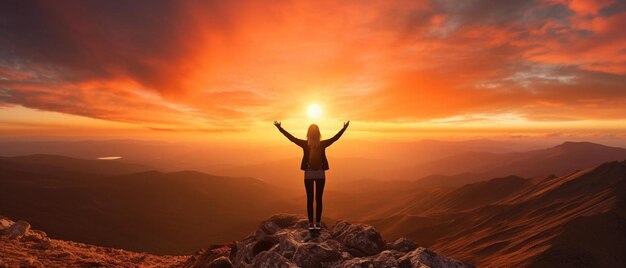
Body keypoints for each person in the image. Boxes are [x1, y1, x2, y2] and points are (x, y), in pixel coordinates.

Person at [274, 120, 349, 230]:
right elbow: (335, 138)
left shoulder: (305, 144)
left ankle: (310, 224)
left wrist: (280, 128)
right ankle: (317, 223)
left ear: (308, 134)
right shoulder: (322, 144)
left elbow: (291, 138)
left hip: (308, 173)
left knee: (310, 199)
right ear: (318, 133)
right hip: (320, 173)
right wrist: (344, 128)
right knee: (319, 199)